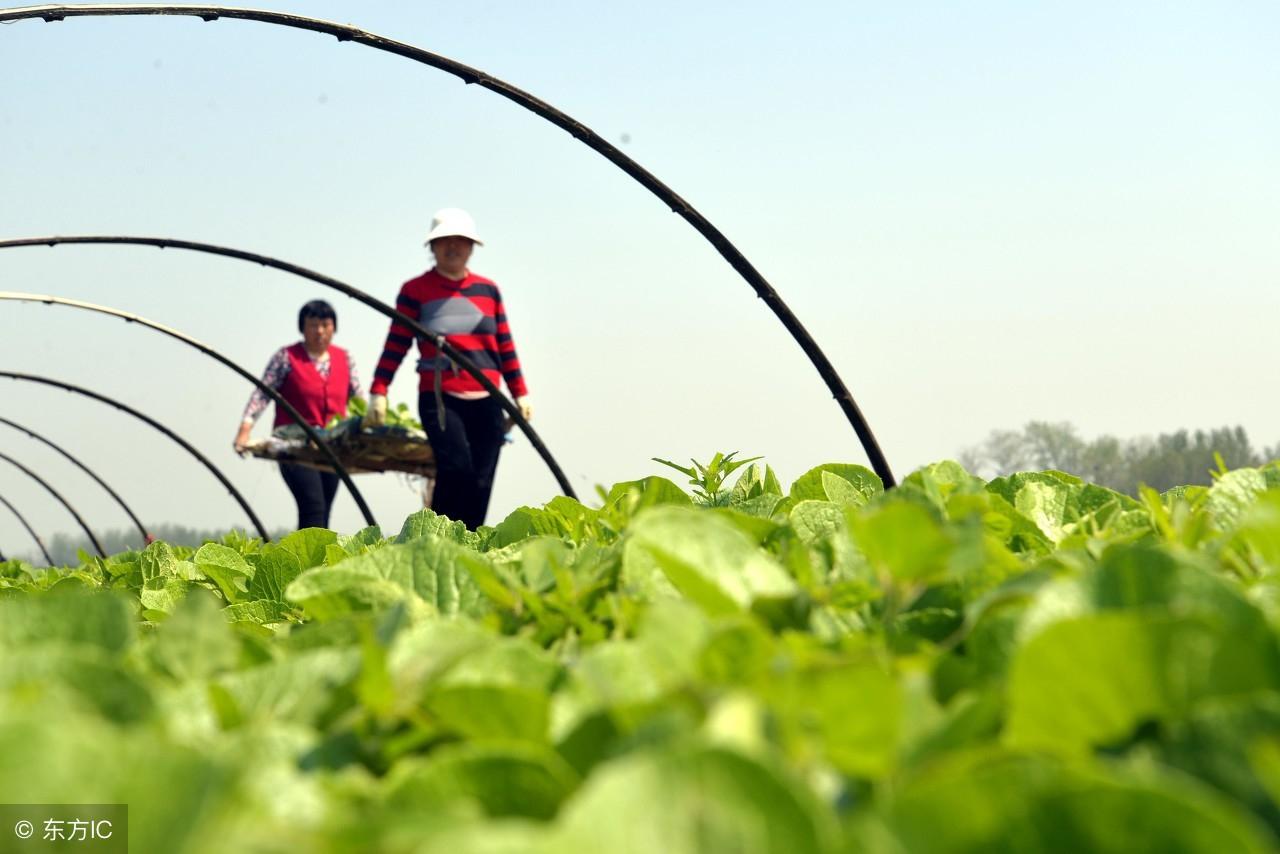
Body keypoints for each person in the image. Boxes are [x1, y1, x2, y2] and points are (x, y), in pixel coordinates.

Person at [363, 208, 531, 530]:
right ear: (432, 248)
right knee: (456, 469)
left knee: (482, 480)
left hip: (487, 397)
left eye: (461, 241)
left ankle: (471, 544)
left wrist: (520, 393)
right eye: (445, 242)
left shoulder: (488, 290)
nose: (453, 248)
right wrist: (379, 390)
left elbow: (505, 346)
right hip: (441, 398)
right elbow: (396, 344)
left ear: (471, 247)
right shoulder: (415, 290)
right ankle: (438, 537)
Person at [234, 300, 363, 530]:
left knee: (324, 510)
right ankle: (307, 563)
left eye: (325, 324)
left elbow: (358, 399)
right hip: (294, 446)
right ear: (302, 328)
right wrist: (245, 430)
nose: (319, 331)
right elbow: (262, 394)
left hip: (332, 447)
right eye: (313, 325)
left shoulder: (345, 359)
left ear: (334, 327)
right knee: (313, 505)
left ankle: (321, 563)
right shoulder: (286, 357)